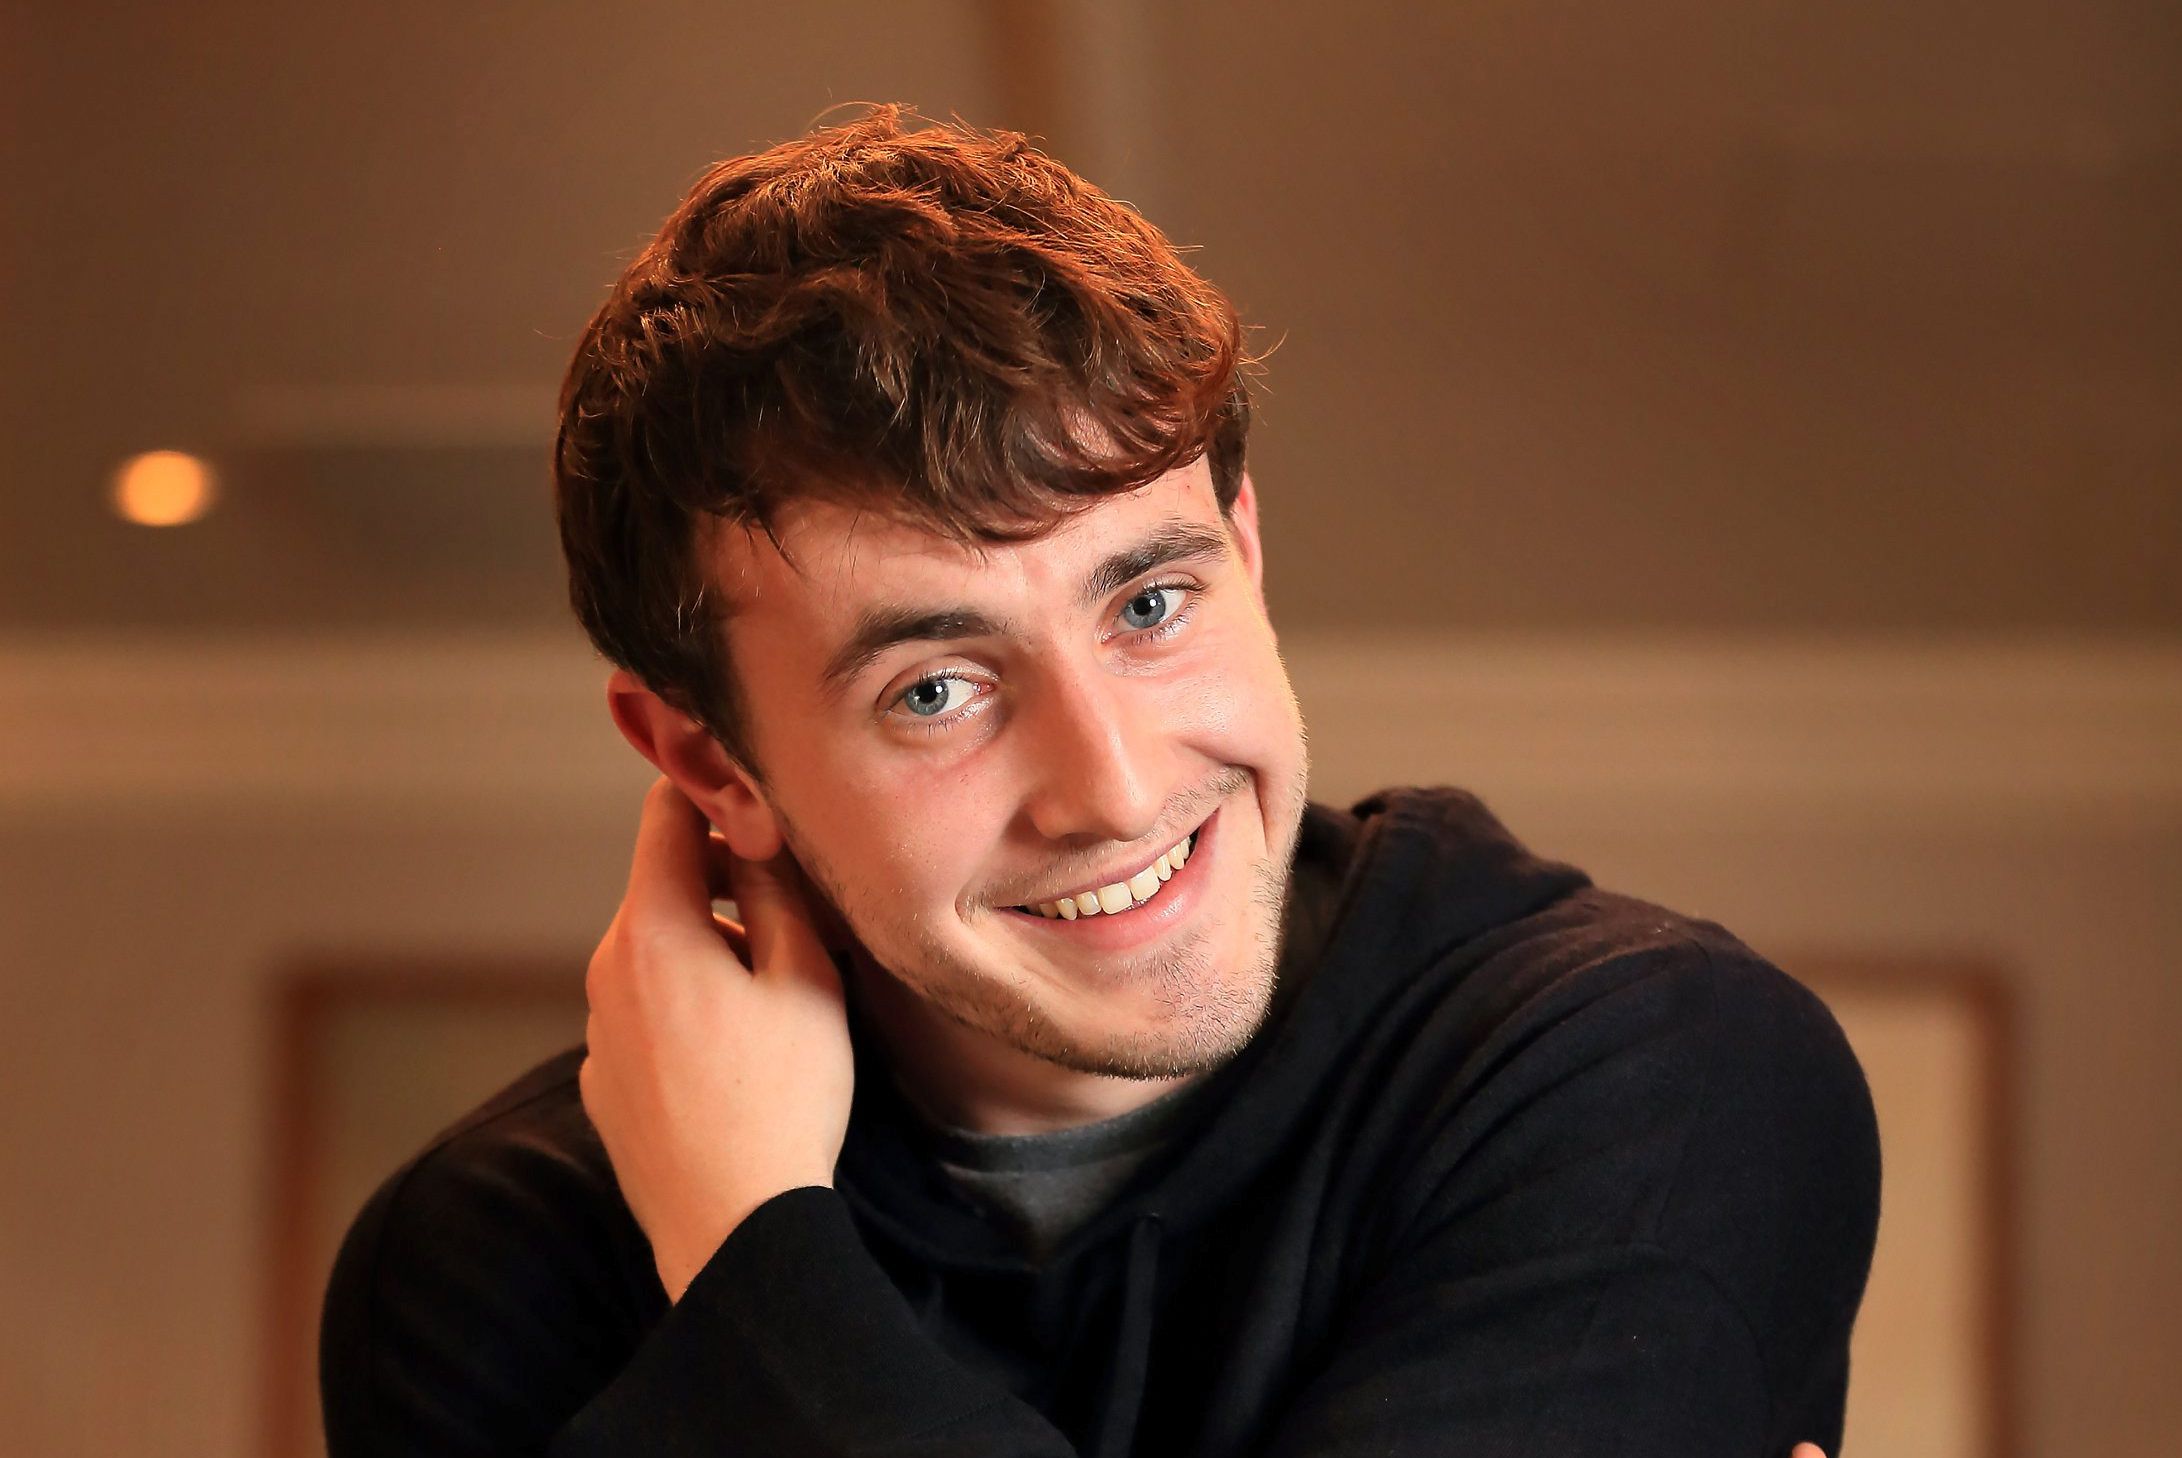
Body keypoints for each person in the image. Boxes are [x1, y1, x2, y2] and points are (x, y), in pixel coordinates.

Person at [320, 106, 1879, 1457]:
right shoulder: (500, 1260)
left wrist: (748, 1260)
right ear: (706, 762)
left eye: (1148, 602)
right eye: (936, 689)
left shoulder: (1647, 1073)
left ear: (1244, 554)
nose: (1115, 787)